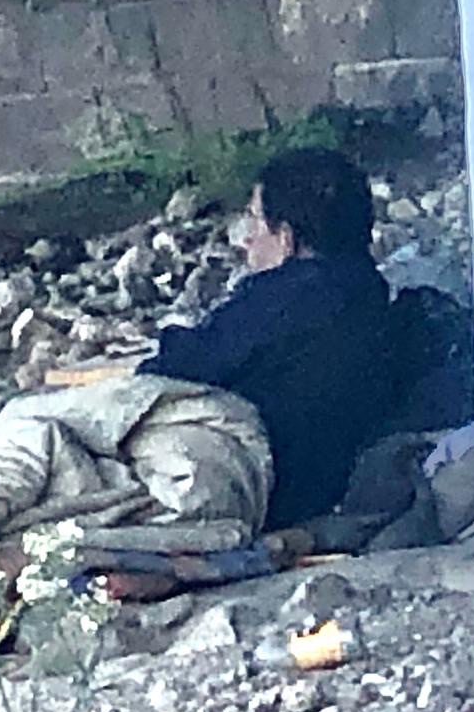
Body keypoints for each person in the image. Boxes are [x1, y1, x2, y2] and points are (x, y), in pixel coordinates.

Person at [138, 148, 395, 530]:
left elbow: (171, 371)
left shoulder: (285, 297)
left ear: (287, 238)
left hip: (264, 490)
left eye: (255, 220)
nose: (246, 239)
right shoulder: (370, 291)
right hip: (328, 484)